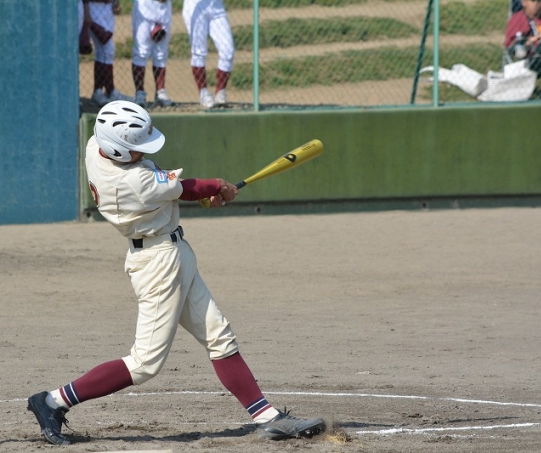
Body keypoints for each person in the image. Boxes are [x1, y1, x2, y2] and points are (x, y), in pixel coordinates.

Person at [26, 100, 326, 446]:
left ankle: (268, 418)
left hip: (169, 252)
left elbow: (174, 188)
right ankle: (52, 402)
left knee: (219, 337)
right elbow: (189, 187)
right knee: (144, 364)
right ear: (118, 149)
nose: (143, 151)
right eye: (136, 148)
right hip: (158, 265)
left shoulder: (96, 147)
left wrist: (200, 194)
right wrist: (219, 187)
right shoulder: (135, 181)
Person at [182, 0, 234, 108]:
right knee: (199, 52)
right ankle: (203, 93)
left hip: (216, 6)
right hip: (195, 6)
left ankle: (220, 91)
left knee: (228, 51)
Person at [84, 0, 133, 106]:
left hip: (108, 8)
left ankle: (100, 92)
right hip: (94, 7)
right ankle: (109, 91)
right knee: (106, 50)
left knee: (105, 52)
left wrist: (116, 2)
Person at [131, 0, 174, 108]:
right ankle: (140, 93)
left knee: (161, 53)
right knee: (141, 52)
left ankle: (161, 92)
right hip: (145, 9)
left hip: (164, 8)